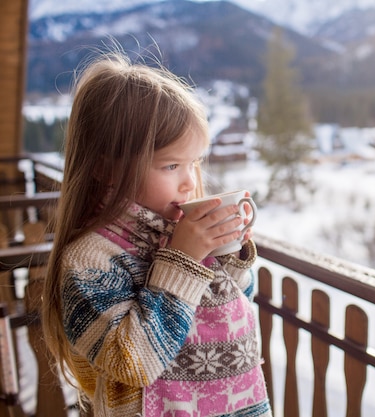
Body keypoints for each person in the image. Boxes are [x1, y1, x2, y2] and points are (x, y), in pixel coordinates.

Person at [41, 51, 272, 417]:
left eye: (194, 163)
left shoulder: (174, 231)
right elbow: (132, 363)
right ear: (105, 168)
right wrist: (182, 262)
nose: (190, 182)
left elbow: (237, 303)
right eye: (171, 165)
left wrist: (229, 254)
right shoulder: (91, 259)